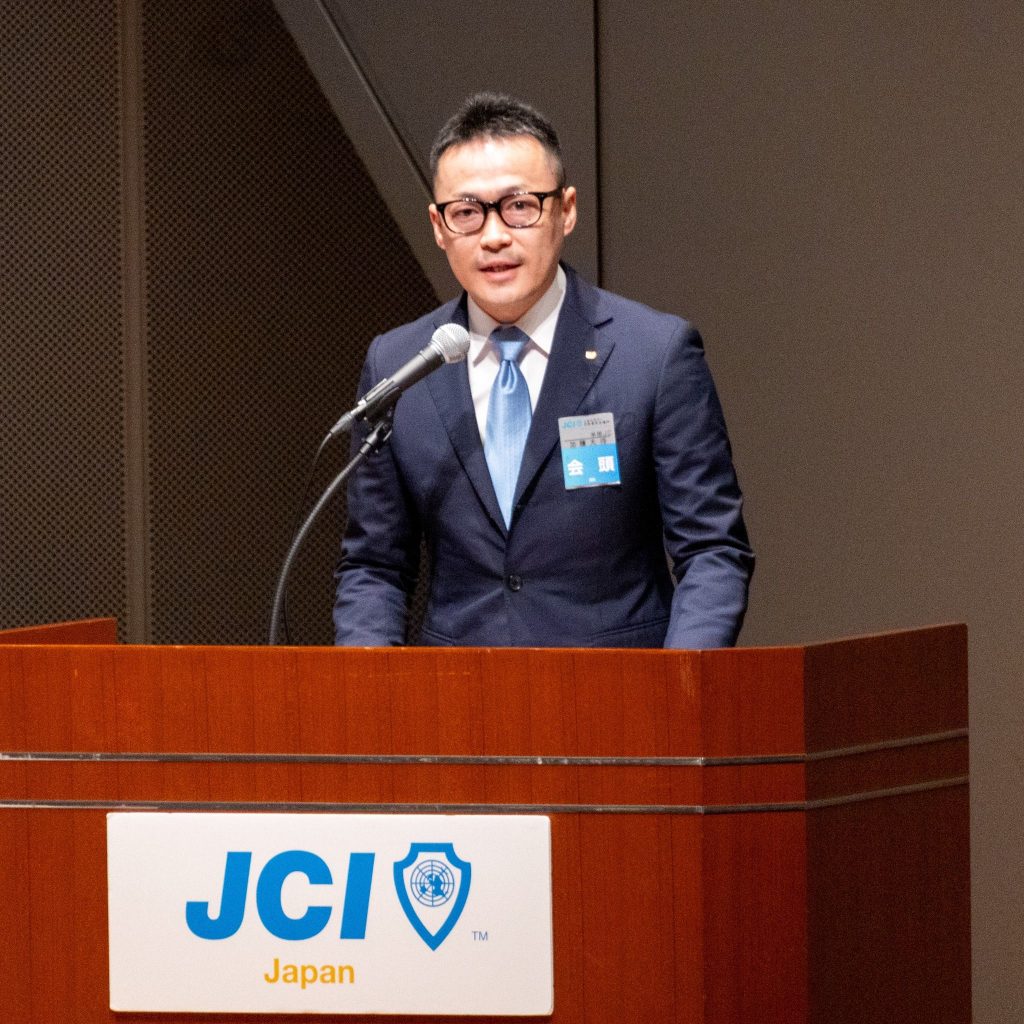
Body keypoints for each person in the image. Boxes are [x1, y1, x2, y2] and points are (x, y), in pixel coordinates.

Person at [333, 92, 753, 648]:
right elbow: (374, 566)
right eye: (466, 213)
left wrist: (679, 686)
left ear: (566, 209)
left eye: (519, 206)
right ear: (438, 226)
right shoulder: (399, 364)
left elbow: (712, 551)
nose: (494, 236)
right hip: (458, 692)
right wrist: (372, 688)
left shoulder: (654, 354)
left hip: (617, 689)